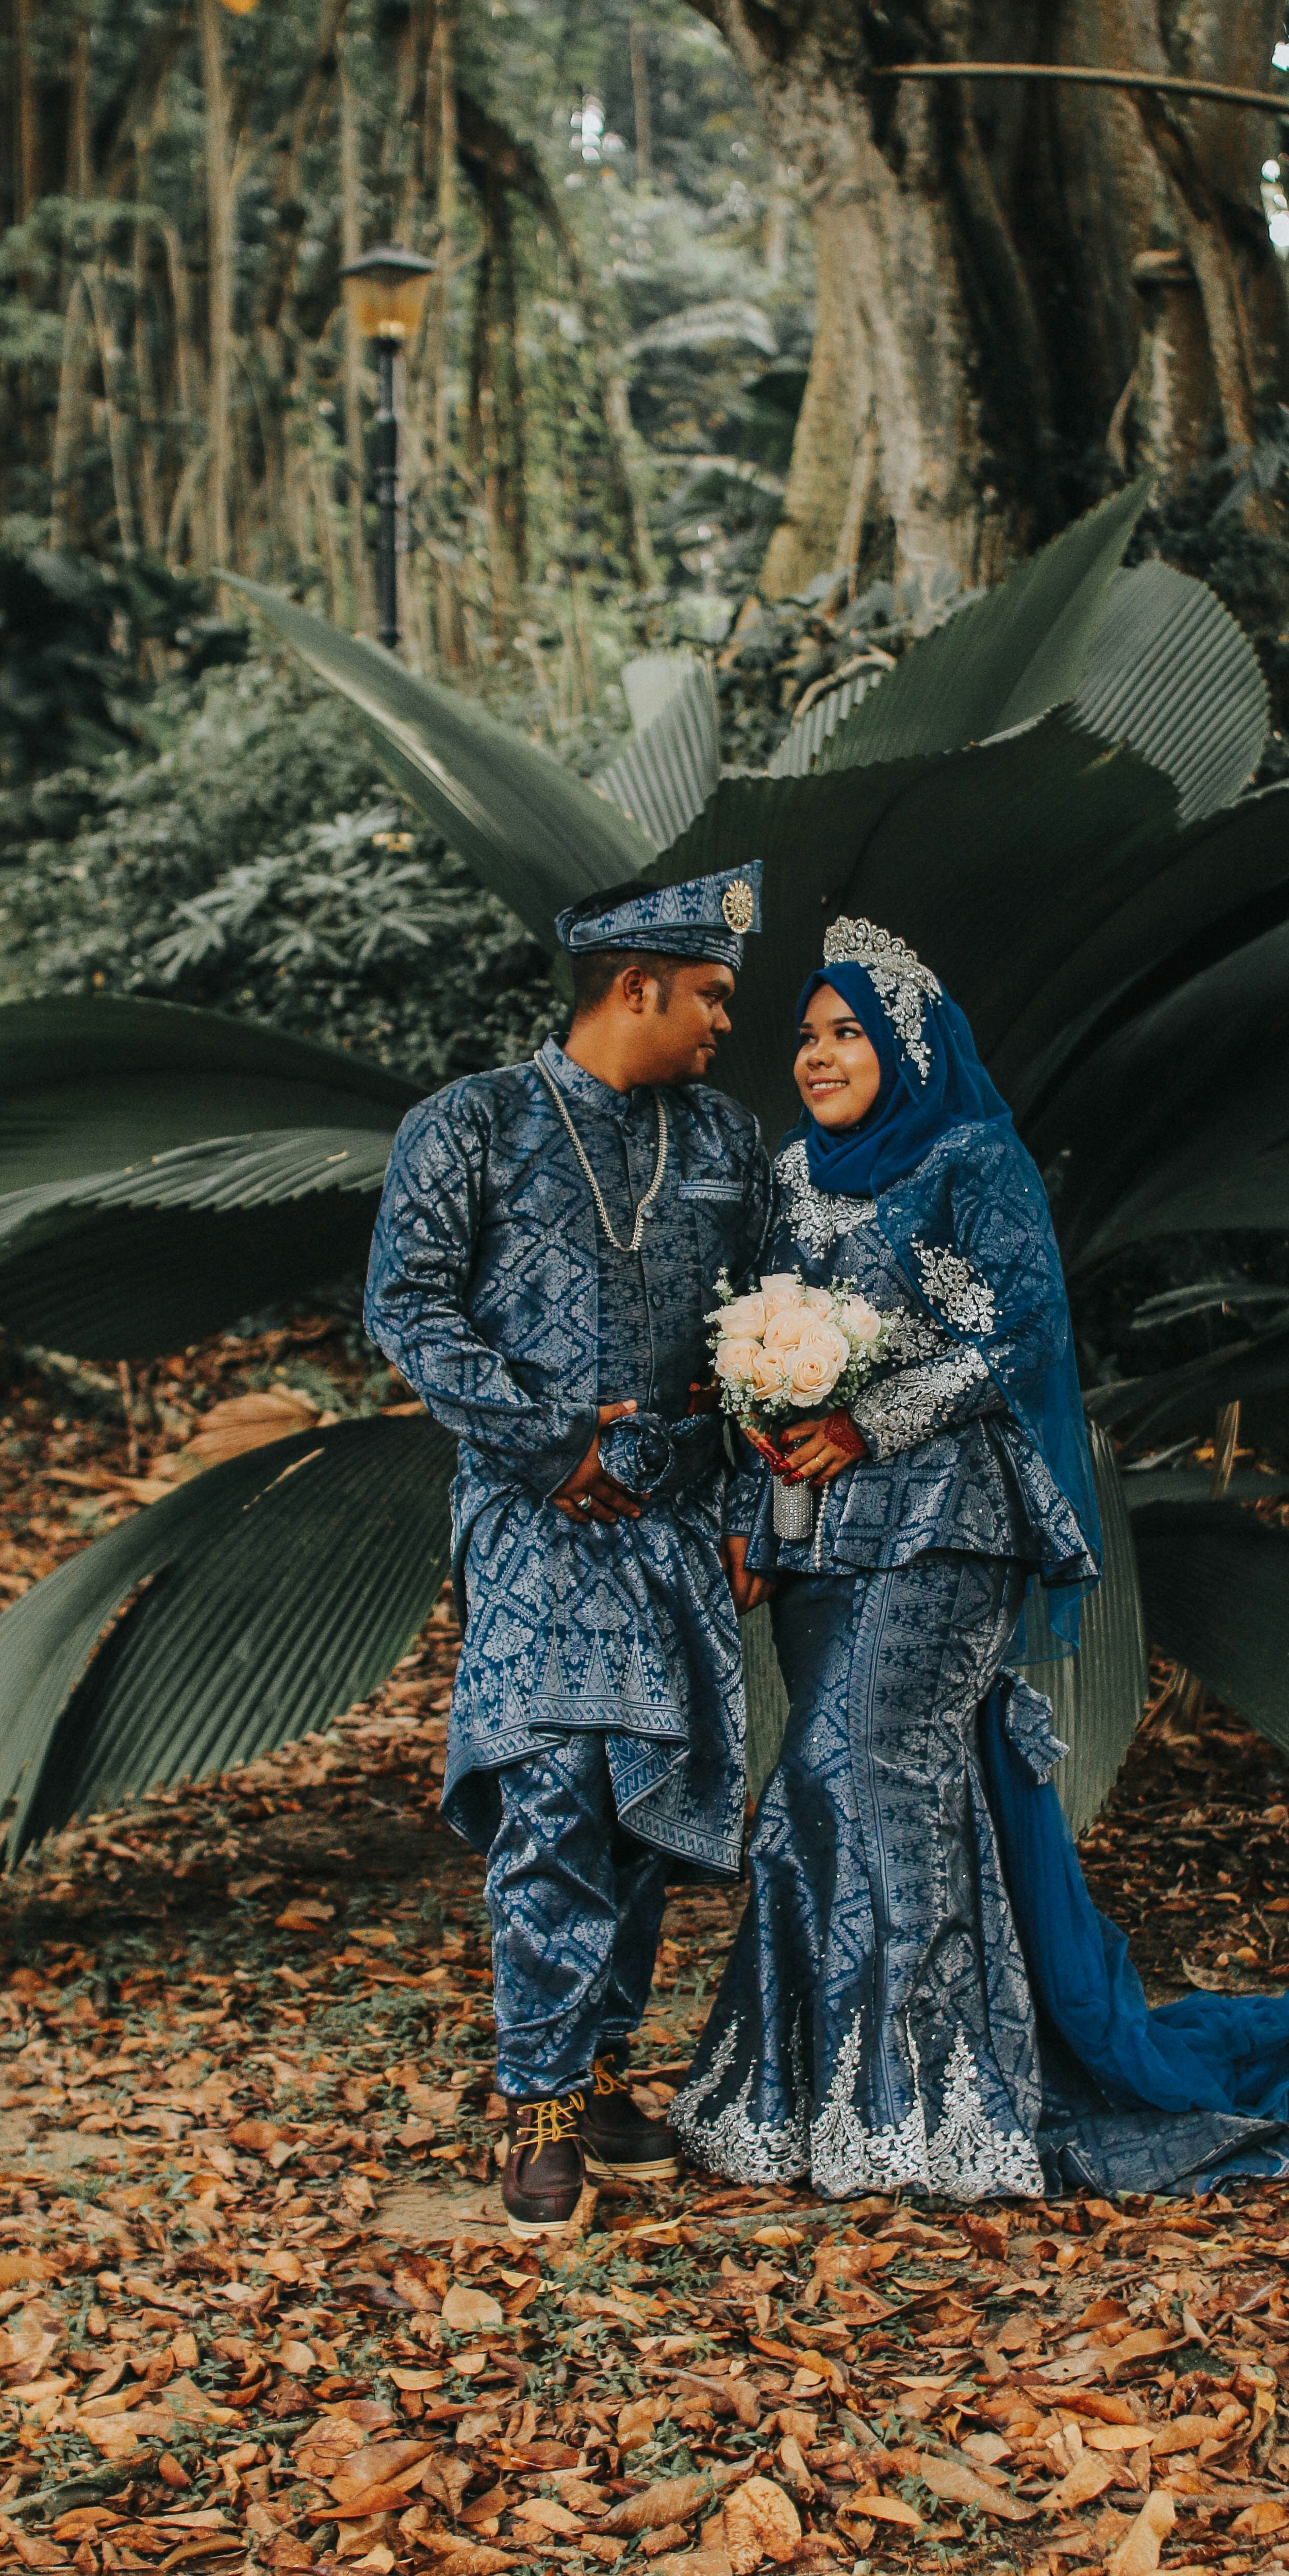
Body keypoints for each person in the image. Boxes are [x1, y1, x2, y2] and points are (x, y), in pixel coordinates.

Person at [671, 916, 1289, 2200]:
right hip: (821, 1535)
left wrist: (864, 1418)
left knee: (856, 1777)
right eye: (806, 1038)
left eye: (848, 1035)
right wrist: (753, 1515)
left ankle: (936, 2108)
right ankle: (828, 2099)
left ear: (909, 1046)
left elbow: (1020, 1331)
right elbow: (750, 1357)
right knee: (867, 1790)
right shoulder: (791, 1175)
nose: (819, 1056)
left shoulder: (968, 1159)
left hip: (951, 1522)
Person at [366, 863, 770, 2230]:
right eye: (710, 997)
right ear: (635, 986)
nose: (724, 1022)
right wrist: (554, 1442)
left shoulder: (721, 1136)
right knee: (553, 1788)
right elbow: (409, 1311)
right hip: (536, 1513)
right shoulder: (466, 1124)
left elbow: (763, 1331)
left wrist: (743, 1508)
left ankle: (597, 2072)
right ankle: (534, 2106)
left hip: (676, 1522)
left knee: (641, 1808)